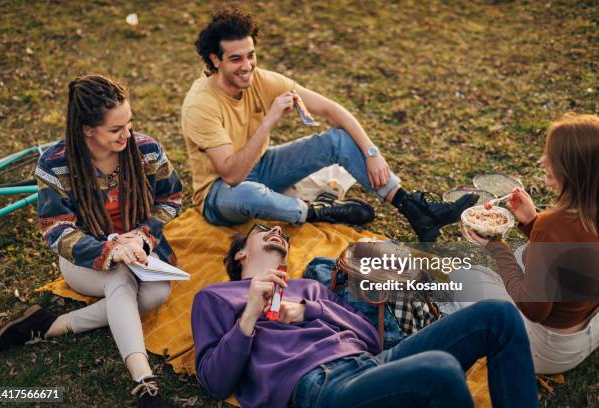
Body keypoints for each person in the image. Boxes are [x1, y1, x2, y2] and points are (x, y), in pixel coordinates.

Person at [181, 9, 477, 242]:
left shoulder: (260, 79)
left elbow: (332, 110)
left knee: (338, 140)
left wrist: (373, 153)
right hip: (220, 196)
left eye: (251, 55)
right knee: (248, 193)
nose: (247, 66)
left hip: (262, 169)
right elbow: (232, 175)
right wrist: (270, 120)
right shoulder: (201, 105)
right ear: (214, 59)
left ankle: (416, 210)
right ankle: (320, 213)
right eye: (236, 59)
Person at [191, 224, 539, 408]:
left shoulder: (306, 288)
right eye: (265, 229)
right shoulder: (214, 298)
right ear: (240, 254)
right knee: (440, 370)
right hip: (323, 387)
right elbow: (215, 382)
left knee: (499, 316)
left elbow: (369, 336)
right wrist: (250, 315)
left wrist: (308, 310)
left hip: (369, 363)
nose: (278, 233)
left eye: (283, 234)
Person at [0, 75, 183, 408]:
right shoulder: (54, 163)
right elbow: (56, 229)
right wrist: (111, 249)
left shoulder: (147, 150)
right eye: (115, 129)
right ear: (87, 129)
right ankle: (144, 382)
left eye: (129, 124)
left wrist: (141, 236)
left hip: (140, 248)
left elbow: (172, 198)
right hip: (83, 258)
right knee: (120, 276)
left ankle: (52, 326)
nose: (128, 135)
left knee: (157, 293)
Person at [464, 113, 599, 374]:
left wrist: (495, 246)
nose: (542, 161)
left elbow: (534, 309)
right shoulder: (577, 218)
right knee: (526, 253)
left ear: (571, 168)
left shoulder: (554, 225)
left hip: (548, 352)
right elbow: (574, 254)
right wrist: (531, 222)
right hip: (590, 328)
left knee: (467, 276)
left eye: (551, 157)